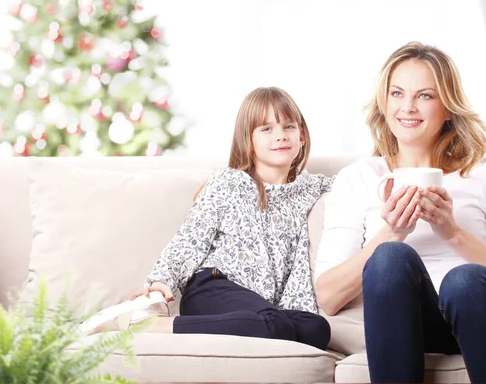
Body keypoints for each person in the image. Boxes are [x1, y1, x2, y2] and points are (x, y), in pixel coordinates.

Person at [314, 42, 486, 382]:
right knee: (390, 256)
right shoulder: (357, 179)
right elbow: (329, 296)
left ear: (448, 108)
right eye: (397, 93)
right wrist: (391, 232)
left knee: (463, 280)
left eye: (425, 95)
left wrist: (452, 232)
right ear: (384, 102)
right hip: (415, 326)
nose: (408, 107)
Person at [81, 87, 333, 351]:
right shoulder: (228, 183)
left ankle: (255, 324)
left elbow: (364, 181)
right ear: (248, 139)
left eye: (289, 126)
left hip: (261, 305)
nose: (281, 136)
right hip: (213, 287)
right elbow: (191, 238)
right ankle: (143, 325)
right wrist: (161, 282)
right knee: (273, 325)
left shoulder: (312, 188)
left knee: (316, 328)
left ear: (301, 135)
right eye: (266, 129)